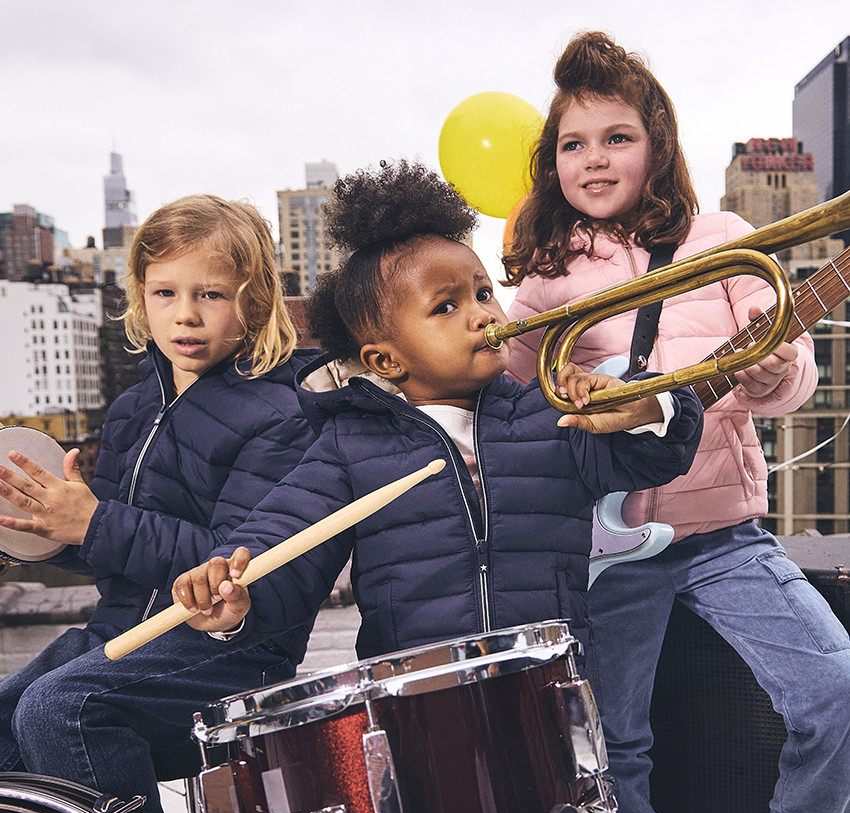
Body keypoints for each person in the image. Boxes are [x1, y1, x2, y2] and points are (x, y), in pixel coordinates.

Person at [171, 158, 702, 722]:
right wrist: (230, 584)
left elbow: (652, 457)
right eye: (445, 307)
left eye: (482, 293)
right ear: (384, 360)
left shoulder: (554, 414)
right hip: (418, 708)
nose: (480, 315)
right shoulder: (347, 446)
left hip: (553, 692)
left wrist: (646, 405)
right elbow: (281, 538)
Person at [502, 31, 850, 813]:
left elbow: (795, 384)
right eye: (572, 144)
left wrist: (772, 371)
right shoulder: (545, 273)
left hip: (724, 535)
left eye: (617, 137)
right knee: (611, 747)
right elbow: (510, 405)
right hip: (600, 549)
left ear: (656, 147)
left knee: (836, 685)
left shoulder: (720, 236)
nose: (594, 159)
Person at [0, 194, 318, 813]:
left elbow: (233, 558)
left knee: (59, 710)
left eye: (211, 294)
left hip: (228, 648)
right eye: (165, 293)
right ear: (140, 298)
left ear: (254, 302)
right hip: (119, 633)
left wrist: (93, 522)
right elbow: (109, 550)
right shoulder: (133, 407)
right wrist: (39, 526)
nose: (186, 315)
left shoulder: (279, 415)